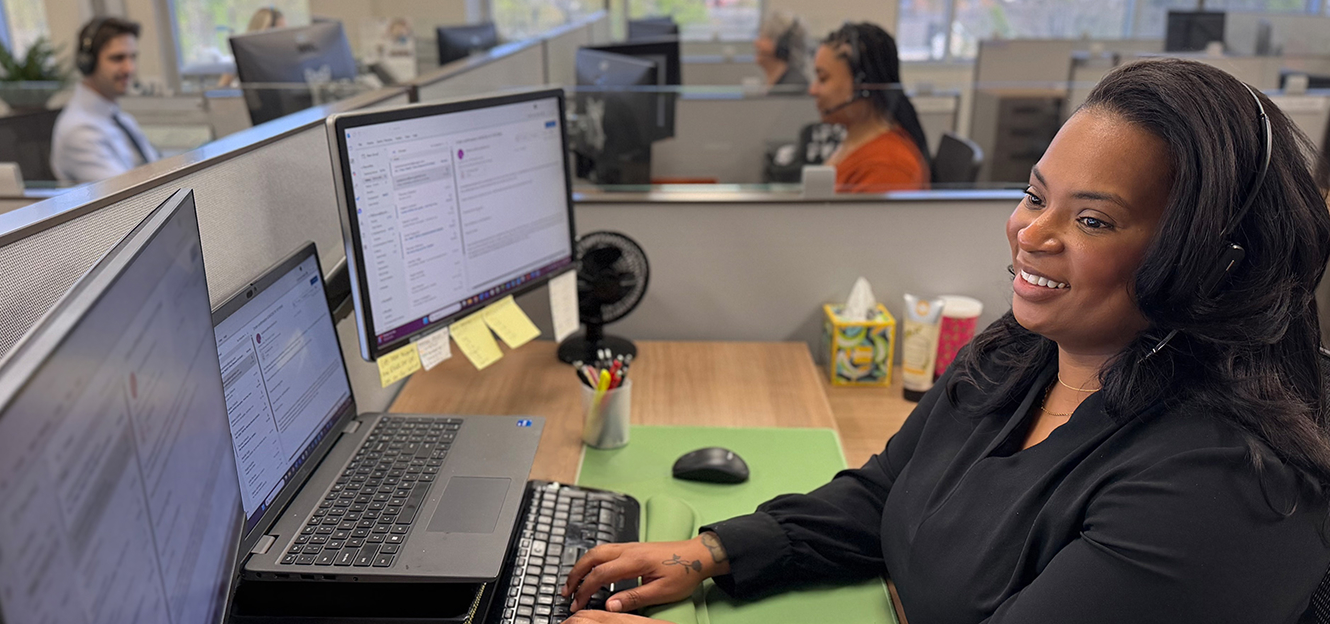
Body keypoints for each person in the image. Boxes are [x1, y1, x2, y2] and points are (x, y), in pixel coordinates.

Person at [558, 58, 1330, 623]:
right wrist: (711, 553)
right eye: (1035, 195)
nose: (1033, 232)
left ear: (1207, 262)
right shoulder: (1024, 354)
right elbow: (889, 490)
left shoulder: (1224, 486)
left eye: (1092, 220)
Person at [809, 22, 928, 193]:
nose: (812, 90)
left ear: (862, 87)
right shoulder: (854, 139)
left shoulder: (887, 168)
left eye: (823, 79)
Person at [50, 16, 159, 183]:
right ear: (87, 63)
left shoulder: (122, 119)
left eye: (133, 57)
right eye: (118, 58)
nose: (129, 68)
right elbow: (127, 197)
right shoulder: (79, 132)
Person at [216, 7, 288, 87]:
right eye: (279, 32)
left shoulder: (283, 61)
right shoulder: (239, 61)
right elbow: (218, 93)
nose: (283, 37)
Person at [754, 11, 808, 90]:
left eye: (763, 38)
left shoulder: (793, 88)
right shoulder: (778, 86)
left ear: (782, 45)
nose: (756, 43)